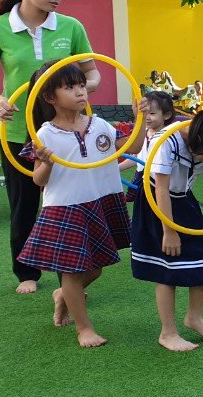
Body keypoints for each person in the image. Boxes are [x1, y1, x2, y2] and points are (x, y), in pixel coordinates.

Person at [0, 0, 99, 294]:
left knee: (67, 203)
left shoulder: (71, 27)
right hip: (17, 131)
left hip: (65, 130)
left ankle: (70, 277)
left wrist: (80, 89)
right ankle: (26, 272)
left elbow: (93, 73)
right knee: (24, 204)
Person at [16, 62, 130, 349]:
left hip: (101, 199)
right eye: (70, 87)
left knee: (95, 269)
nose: (81, 91)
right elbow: (38, 179)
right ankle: (84, 328)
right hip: (67, 206)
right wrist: (46, 162)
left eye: (81, 85)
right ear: (49, 97)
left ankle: (63, 295)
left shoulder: (99, 124)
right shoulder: (45, 134)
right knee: (72, 271)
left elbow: (133, 147)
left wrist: (142, 120)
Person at [130, 109, 203, 352]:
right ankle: (168, 333)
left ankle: (194, 317)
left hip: (183, 199)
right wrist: (169, 231)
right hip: (156, 204)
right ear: (197, 142)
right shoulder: (166, 140)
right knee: (167, 268)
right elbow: (161, 188)